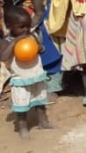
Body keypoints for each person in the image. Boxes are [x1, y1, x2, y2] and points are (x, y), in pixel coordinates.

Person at [1, 8, 52, 139]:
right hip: (20, 79)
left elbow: (41, 49)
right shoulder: (7, 41)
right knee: (21, 106)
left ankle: (43, 122)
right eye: (21, 27)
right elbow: (4, 57)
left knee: (40, 101)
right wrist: (14, 43)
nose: (26, 30)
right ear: (9, 26)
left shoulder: (31, 36)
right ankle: (23, 128)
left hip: (36, 75)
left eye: (28, 26)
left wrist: (38, 47)